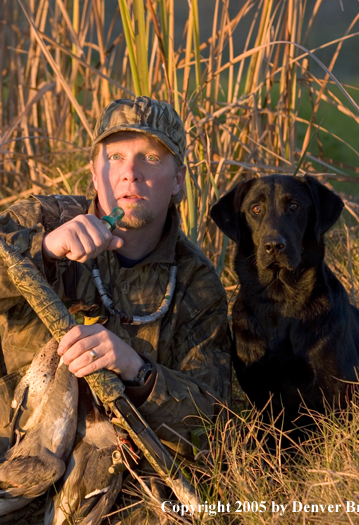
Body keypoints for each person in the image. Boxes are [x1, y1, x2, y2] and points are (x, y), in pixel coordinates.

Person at [0, 97, 231, 524]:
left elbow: (209, 424)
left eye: (151, 157)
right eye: (115, 156)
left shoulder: (196, 284)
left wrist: (136, 369)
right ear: (94, 172)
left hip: (108, 484)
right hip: (10, 454)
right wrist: (44, 251)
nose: (130, 172)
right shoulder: (40, 221)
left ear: (178, 179)